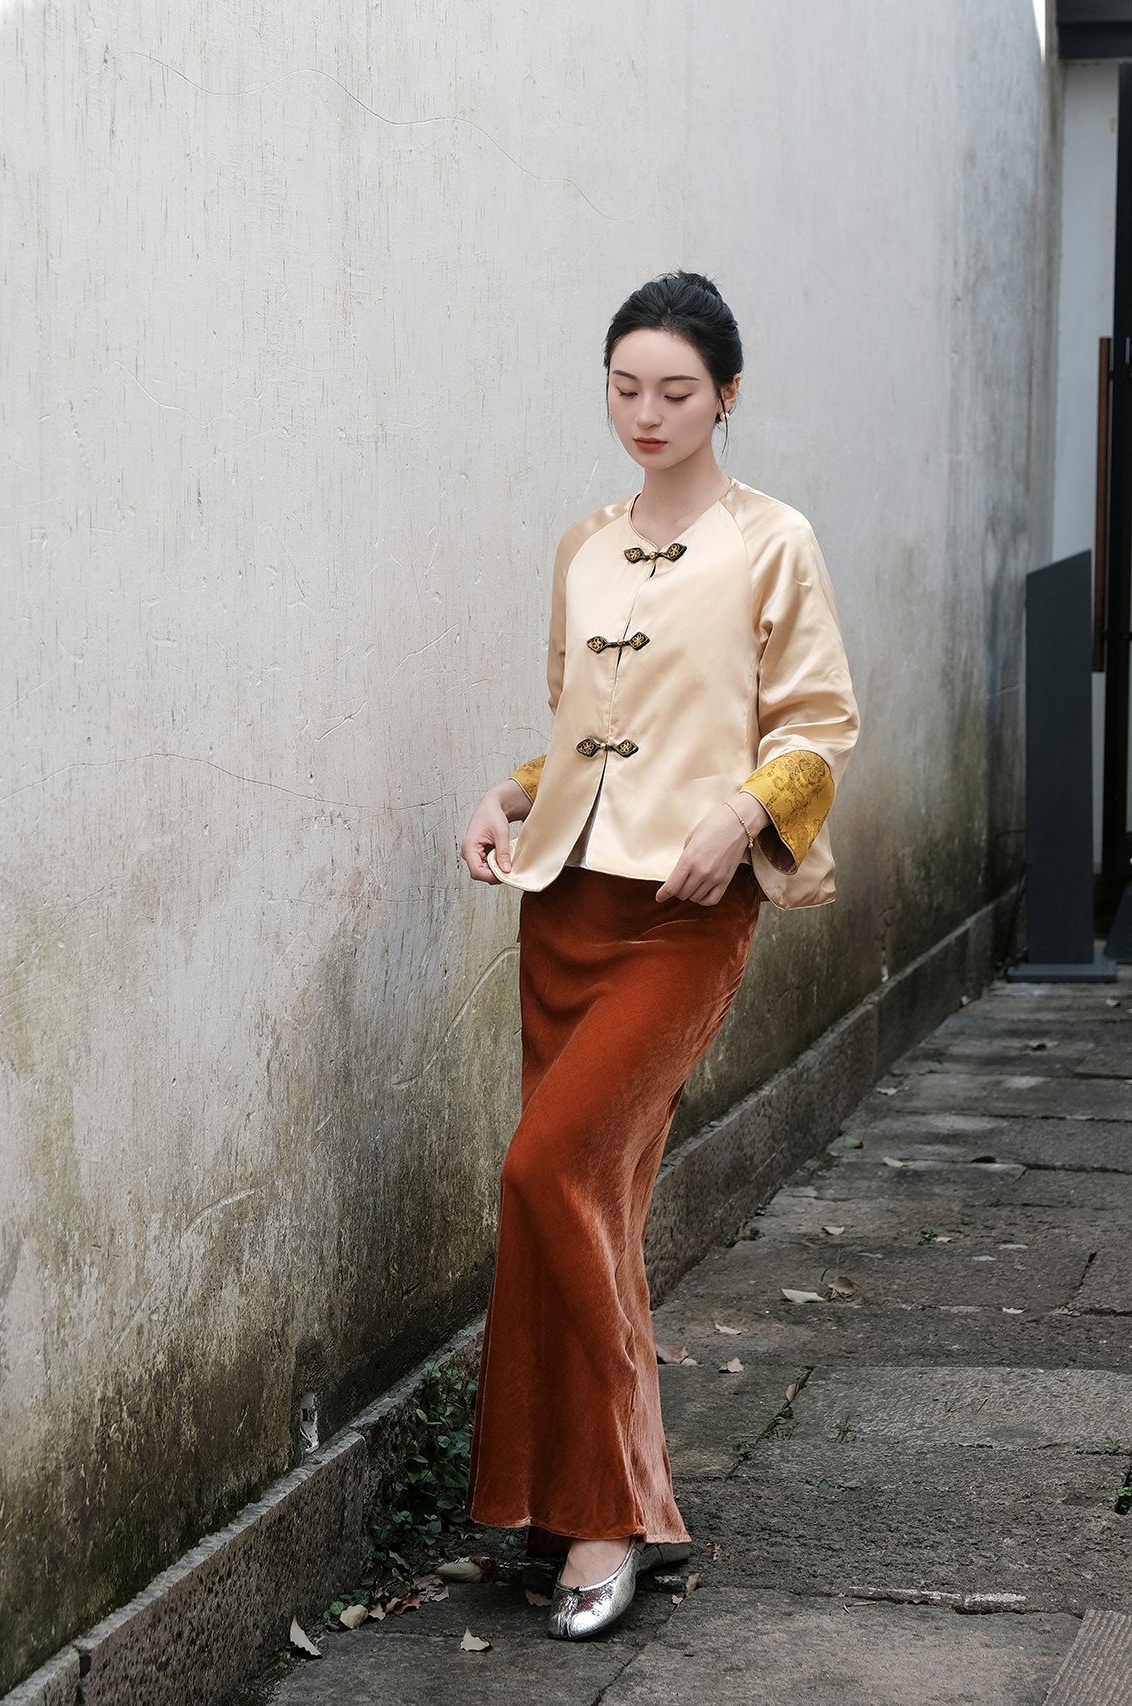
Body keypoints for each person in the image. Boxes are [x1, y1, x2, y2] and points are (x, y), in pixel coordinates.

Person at [458, 271, 859, 1640]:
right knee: (580, 1205)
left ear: (726, 396)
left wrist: (740, 816)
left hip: (689, 913)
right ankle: (555, 1501)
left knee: (550, 1168)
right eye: (625, 387)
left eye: (676, 390)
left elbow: (818, 726)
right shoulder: (582, 545)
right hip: (564, 907)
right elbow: (582, 729)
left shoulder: (773, 543)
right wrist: (509, 794)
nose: (647, 412)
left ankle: (615, 1511)